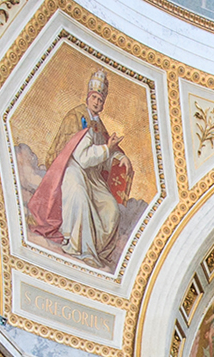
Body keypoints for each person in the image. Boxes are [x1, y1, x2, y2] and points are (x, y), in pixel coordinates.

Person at [27, 69, 134, 266]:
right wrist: (107, 149)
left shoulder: (98, 124)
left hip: (93, 177)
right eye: (94, 98)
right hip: (73, 170)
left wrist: (119, 157)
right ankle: (79, 248)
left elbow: (105, 151)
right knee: (79, 195)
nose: (97, 103)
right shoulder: (76, 117)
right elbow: (83, 157)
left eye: (100, 100)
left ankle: (98, 250)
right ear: (88, 97)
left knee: (112, 209)